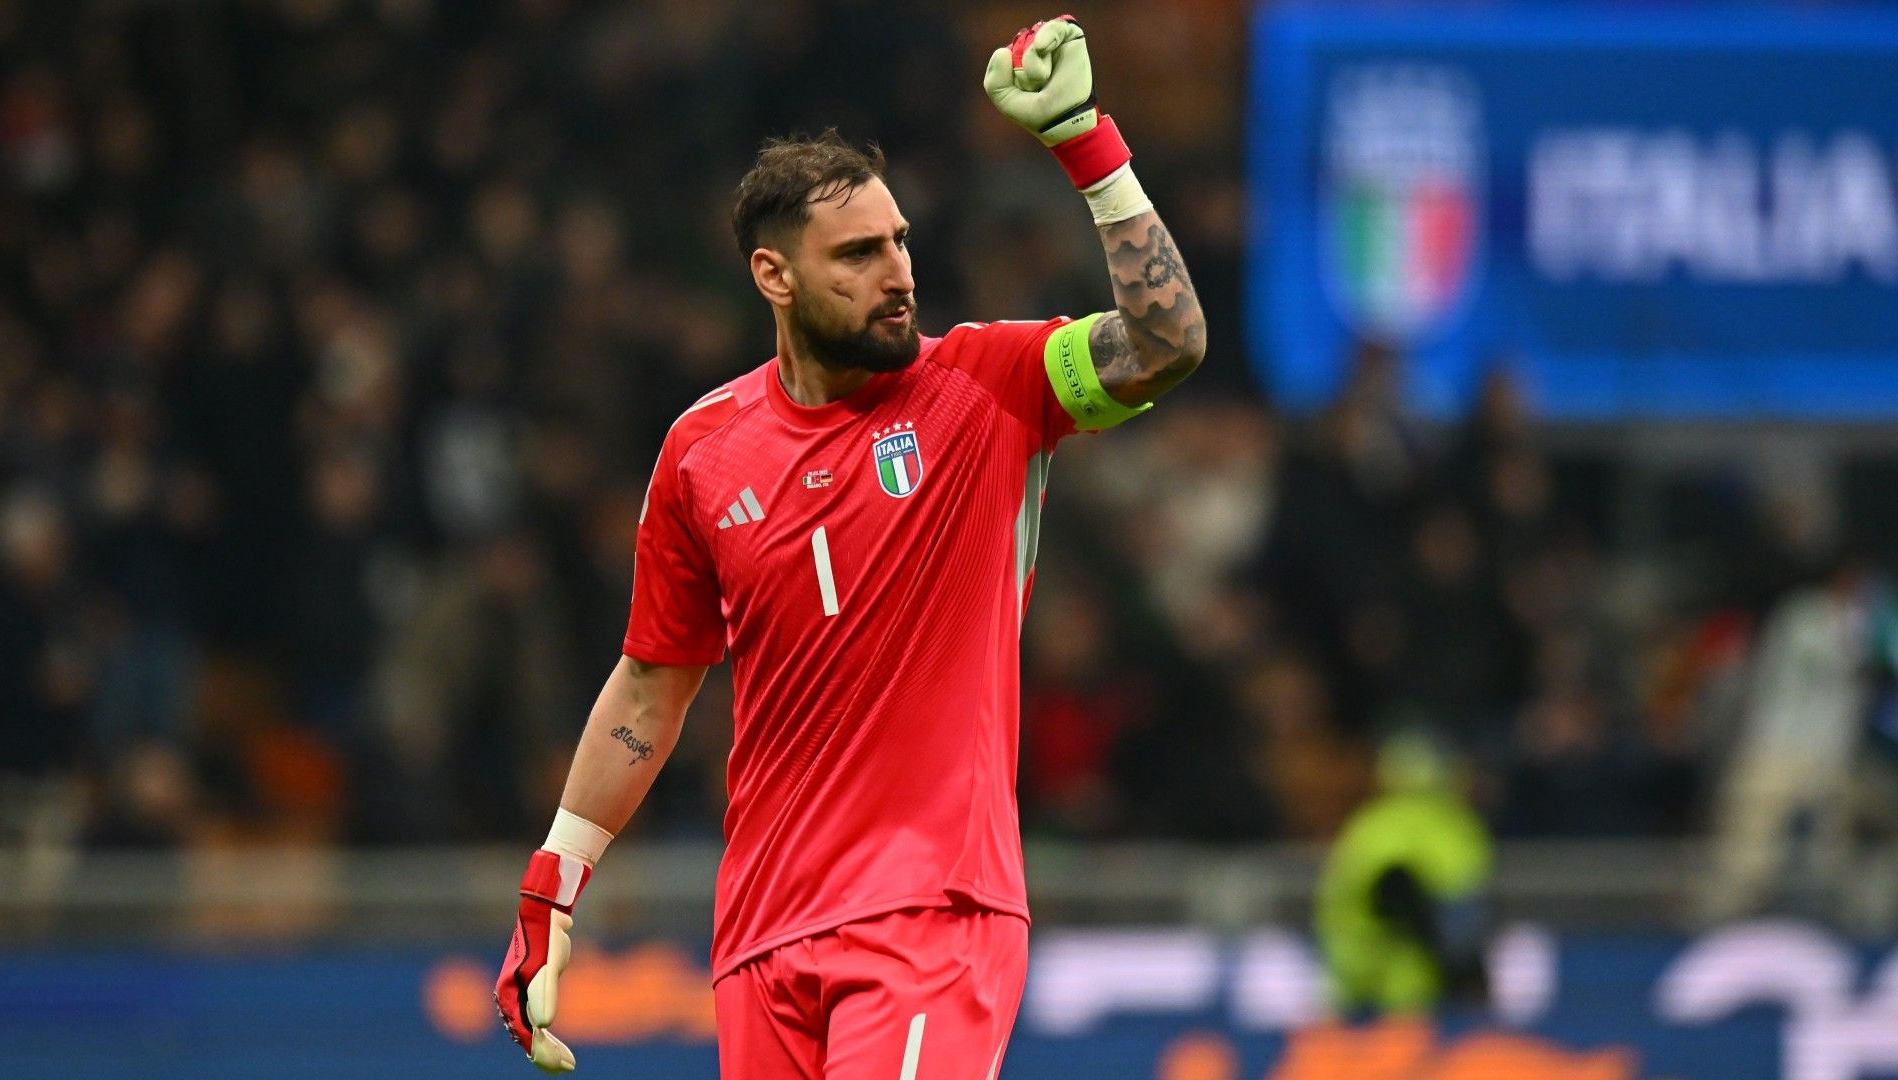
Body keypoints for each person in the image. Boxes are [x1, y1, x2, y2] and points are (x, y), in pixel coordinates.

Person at [493, 16, 1206, 1078]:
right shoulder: (703, 454)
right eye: (861, 255)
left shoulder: (987, 386)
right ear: (773, 277)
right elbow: (652, 684)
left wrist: (1086, 145)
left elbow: (1167, 341)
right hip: (763, 936)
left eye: (902, 243)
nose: (898, 274)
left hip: (932, 913)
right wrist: (555, 880)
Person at [1315, 732, 1493, 1017]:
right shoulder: (1456, 827)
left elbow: (1347, 906)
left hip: (1363, 988)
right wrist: (1461, 966)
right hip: (1423, 993)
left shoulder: (1367, 826)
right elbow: (1403, 892)